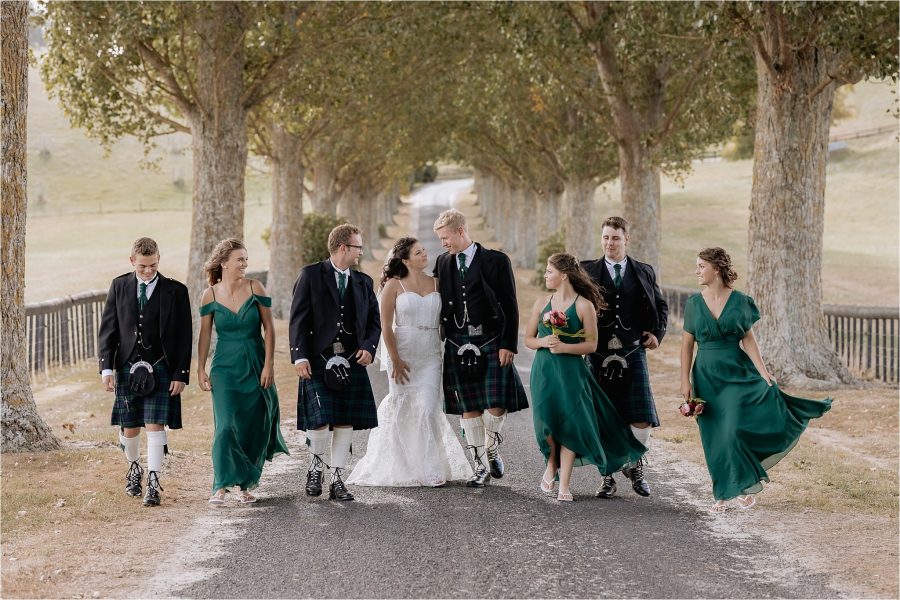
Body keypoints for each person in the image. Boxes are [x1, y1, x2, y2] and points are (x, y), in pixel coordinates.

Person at [680, 247, 832, 512]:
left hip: (736, 373)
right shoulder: (693, 304)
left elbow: (748, 338)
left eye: (701, 266)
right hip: (706, 376)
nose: (697, 271)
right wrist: (685, 381)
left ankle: (741, 483)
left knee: (734, 430)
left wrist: (763, 371)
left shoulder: (741, 301)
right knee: (715, 436)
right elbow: (686, 345)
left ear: (716, 269)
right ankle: (724, 494)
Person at [347, 237, 473, 487]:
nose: (425, 254)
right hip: (403, 352)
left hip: (430, 354)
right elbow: (384, 325)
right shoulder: (393, 285)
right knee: (403, 409)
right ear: (405, 260)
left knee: (427, 409)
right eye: (418, 252)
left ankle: (431, 466)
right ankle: (404, 465)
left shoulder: (438, 282)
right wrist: (394, 358)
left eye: (424, 250)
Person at [525, 254, 647, 502]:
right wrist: (543, 341)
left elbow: (591, 345)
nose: (546, 275)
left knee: (570, 426)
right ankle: (551, 465)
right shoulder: (540, 303)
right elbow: (528, 339)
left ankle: (565, 485)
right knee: (545, 426)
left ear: (564, 275)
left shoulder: (584, 306)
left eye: (549, 271)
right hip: (544, 372)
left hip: (572, 372)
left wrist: (565, 348)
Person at [433, 208, 528, 487]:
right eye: (440, 239)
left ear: (461, 231)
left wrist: (508, 343)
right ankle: (480, 466)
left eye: (445, 237)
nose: (443, 244)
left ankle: (491, 446)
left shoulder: (495, 261)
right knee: (468, 407)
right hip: (457, 342)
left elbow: (510, 303)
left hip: (490, 340)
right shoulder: (443, 262)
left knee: (496, 404)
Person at [289, 223, 381, 502]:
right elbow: (298, 319)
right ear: (343, 247)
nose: (360, 252)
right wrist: (299, 355)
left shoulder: (363, 281)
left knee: (345, 422)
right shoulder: (311, 275)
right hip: (318, 359)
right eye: (358, 247)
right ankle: (316, 468)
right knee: (319, 421)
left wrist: (368, 347)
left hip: (351, 361)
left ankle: (338, 478)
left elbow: (375, 322)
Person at [99, 237, 192, 507]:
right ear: (132, 262)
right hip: (127, 366)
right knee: (129, 428)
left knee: (155, 424)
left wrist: (180, 374)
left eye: (152, 265)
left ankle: (153, 481)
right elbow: (108, 330)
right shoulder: (119, 286)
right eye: (143, 267)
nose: (148, 271)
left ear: (159, 259)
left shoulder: (176, 290)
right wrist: (106, 368)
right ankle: (134, 468)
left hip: (161, 365)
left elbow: (184, 336)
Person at [581, 216, 668, 498]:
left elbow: (661, 305)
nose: (610, 243)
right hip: (597, 352)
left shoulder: (643, 270)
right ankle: (607, 477)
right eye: (606, 237)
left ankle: (636, 464)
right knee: (600, 417)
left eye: (615, 238)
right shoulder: (586, 270)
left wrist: (657, 332)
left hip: (632, 350)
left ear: (626, 240)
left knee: (641, 416)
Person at [197, 238, 289, 505]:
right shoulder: (210, 295)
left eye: (246, 259)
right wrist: (200, 369)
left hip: (255, 363)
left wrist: (269, 365)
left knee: (253, 425)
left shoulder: (255, 287)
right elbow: (204, 335)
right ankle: (220, 485)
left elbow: (269, 329)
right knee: (225, 426)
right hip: (224, 367)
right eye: (240, 259)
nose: (245, 264)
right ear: (224, 263)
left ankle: (246, 484)